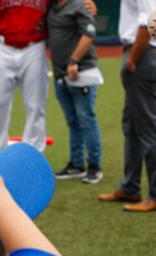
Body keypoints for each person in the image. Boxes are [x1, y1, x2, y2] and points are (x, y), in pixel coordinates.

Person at [98, 0, 156, 212]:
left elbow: (147, 21)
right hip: (148, 52)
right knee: (131, 124)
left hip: (144, 53)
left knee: (147, 127)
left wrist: (132, 58)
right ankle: (130, 187)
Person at [0, 0, 49, 157]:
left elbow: (65, 4)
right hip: (3, 46)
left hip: (34, 47)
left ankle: (33, 156)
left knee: (36, 105)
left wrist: (86, 4)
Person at [48, 0, 103, 183]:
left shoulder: (78, 5)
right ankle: (77, 165)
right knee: (73, 122)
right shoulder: (50, 7)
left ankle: (94, 167)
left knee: (87, 120)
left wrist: (74, 60)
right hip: (61, 75)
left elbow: (89, 33)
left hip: (81, 72)